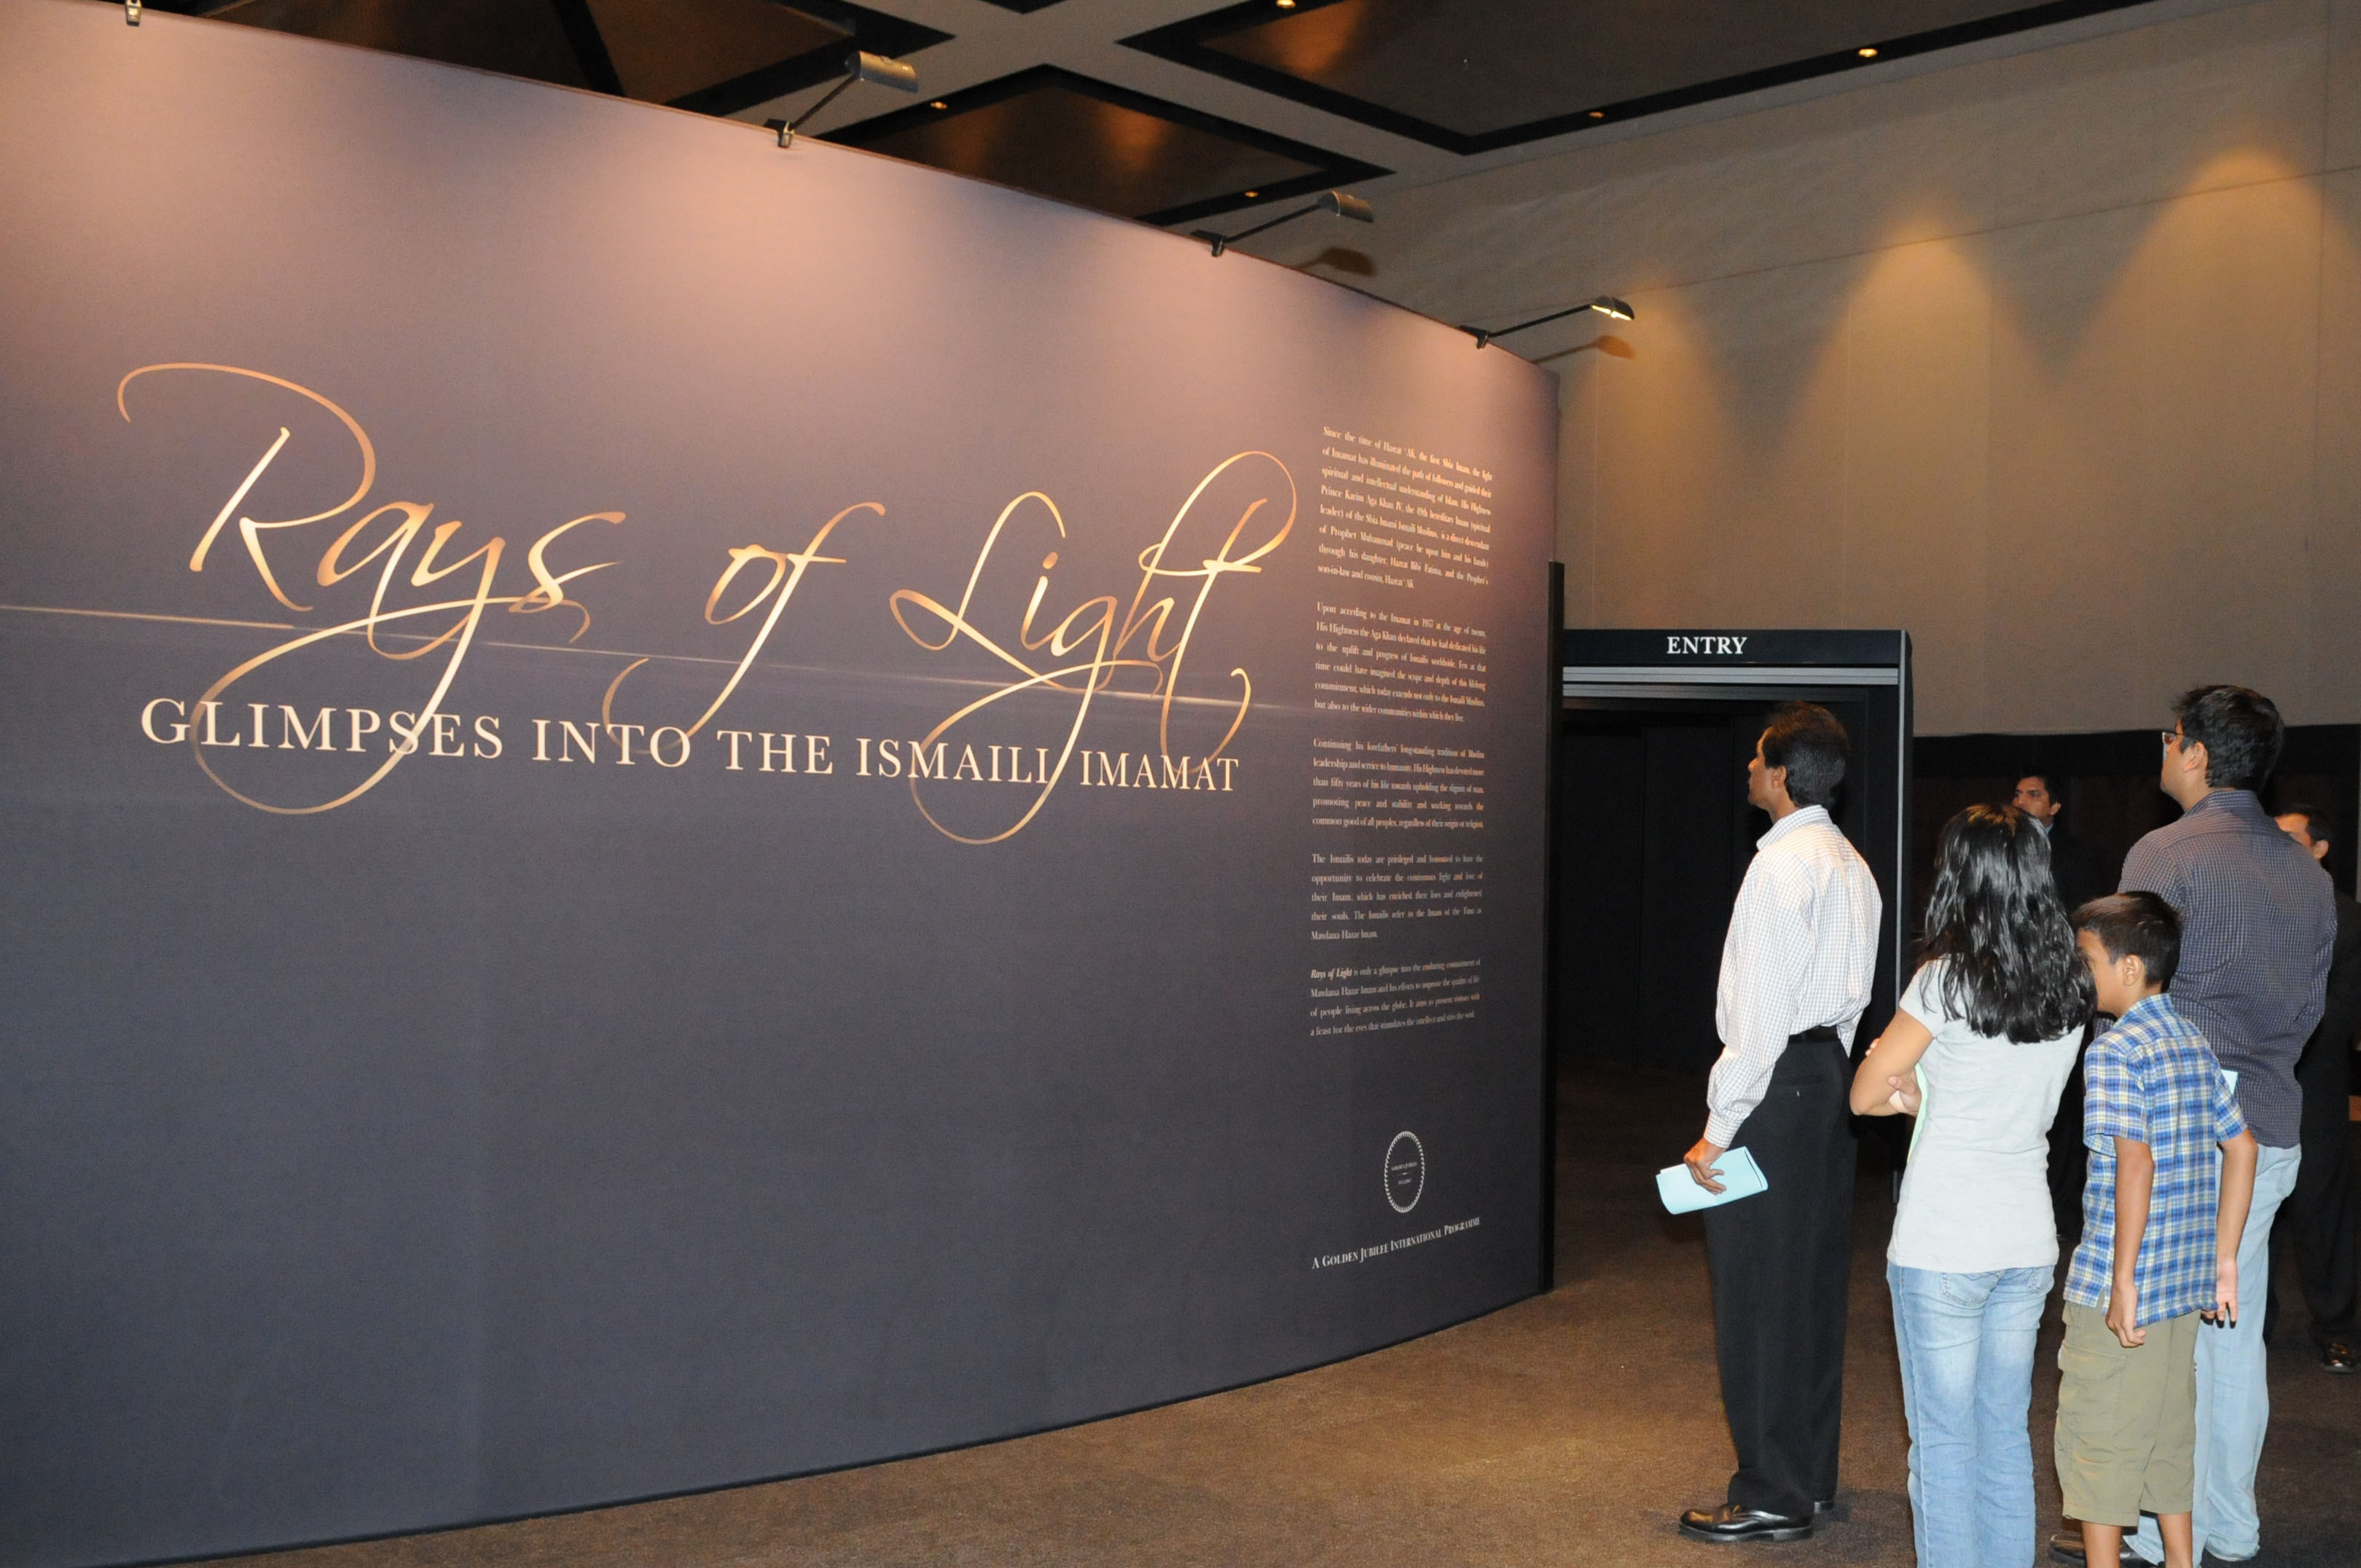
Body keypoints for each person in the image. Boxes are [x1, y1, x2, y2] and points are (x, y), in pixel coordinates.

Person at [2068, 687, 2333, 1568]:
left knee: (2158, 1336)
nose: (2163, 745)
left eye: (2170, 734)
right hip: (2268, 1119)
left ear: (2195, 753)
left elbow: (2130, 991)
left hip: (2180, 1114)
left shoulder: (2165, 851)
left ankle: (2146, 1529)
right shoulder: (2310, 872)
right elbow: (2310, 1008)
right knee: (2232, 1331)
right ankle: (2228, 1524)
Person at [1849, 804, 2093, 1568]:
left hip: (1944, 1242)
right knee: (2003, 1435)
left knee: (1945, 1447)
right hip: (2026, 1240)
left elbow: (1864, 1092)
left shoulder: (1943, 982)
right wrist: (1935, 1094)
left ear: (1962, 878)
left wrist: (1916, 1093)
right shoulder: (2071, 986)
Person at [1676, 702, 1882, 1545]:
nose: (1749, 772)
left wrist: (1718, 1129)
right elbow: (1853, 1001)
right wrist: (1819, 1080)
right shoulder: (1853, 864)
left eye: (1758, 761)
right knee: (1810, 1285)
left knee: (1760, 1292)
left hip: (1775, 1087)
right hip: (1826, 1080)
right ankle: (1811, 1475)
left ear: (1783, 776)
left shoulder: (1776, 870)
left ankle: (1769, 1489)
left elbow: (1755, 1021)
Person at [2056, 893, 2258, 1568]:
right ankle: (2180, 1560)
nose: (2078, 973)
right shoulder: (2191, 1038)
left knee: (2101, 1439)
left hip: (2128, 1286)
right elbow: (2243, 1146)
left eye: (2086, 960)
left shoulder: (2114, 1050)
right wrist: (2223, 1261)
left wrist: (2121, 1279)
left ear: (2132, 967)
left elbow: (2132, 1164)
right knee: (2170, 1435)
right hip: (2182, 1287)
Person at [2268, 804, 2361, 1372]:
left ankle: (2335, 1327)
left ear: (2320, 849)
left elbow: (2342, 1011)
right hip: (2259, 1078)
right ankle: (2250, 1323)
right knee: (2255, 1206)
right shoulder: (2258, 909)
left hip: (2317, 1082)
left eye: (2290, 838)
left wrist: (2276, 1030)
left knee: (2322, 1206)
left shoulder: (2349, 919)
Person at [2016, 772, 2112, 912]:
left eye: (2033, 795)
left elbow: (2084, 911)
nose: (2020, 802)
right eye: (2017, 795)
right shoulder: (2000, 846)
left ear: (2054, 807)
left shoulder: (2078, 855)